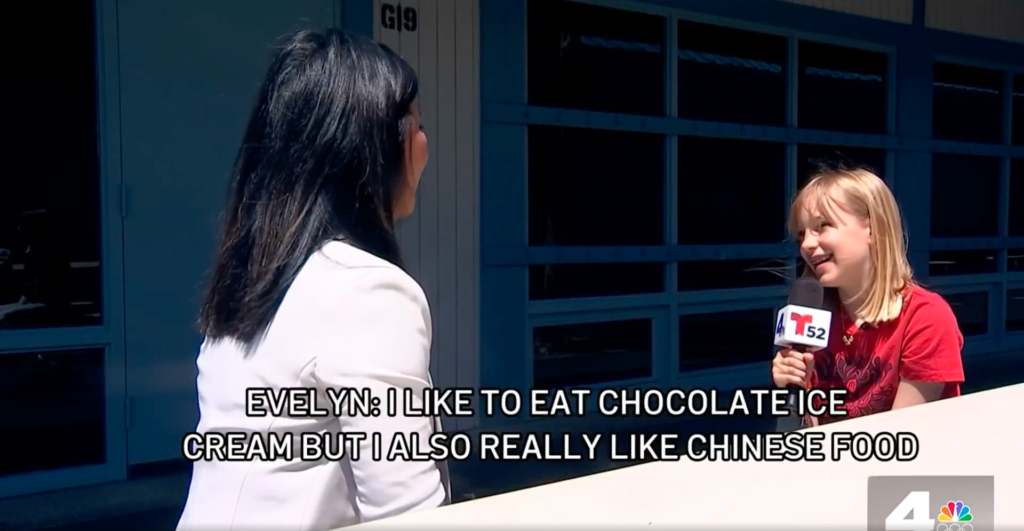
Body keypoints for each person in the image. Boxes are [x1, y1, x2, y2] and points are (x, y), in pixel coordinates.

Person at [176, 29, 449, 531]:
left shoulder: (256, 281)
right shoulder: (367, 292)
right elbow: (407, 511)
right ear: (375, 147)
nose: (425, 145)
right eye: (419, 125)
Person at [772, 164, 965, 426]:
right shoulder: (811, 317)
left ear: (873, 228)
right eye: (802, 234)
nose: (806, 244)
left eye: (822, 225)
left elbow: (900, 438)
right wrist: (792, 393)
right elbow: (808, 436)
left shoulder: (926, 318)